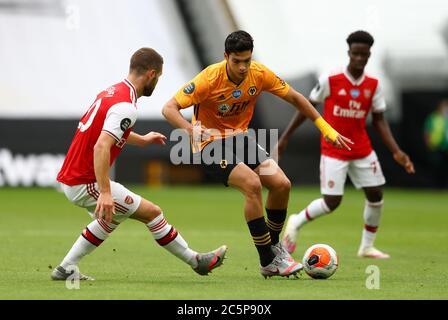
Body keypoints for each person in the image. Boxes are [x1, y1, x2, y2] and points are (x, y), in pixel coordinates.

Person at [162, 30, 352, 278]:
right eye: (237, 61)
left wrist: (326, 129)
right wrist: (189, 130)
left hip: (240, 139)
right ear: (226, 57)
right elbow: (169, 108)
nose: (242, 67)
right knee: (252, 184)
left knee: (282, 185)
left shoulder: (259, 74)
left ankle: (274, 251)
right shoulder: (209, 78)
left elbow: (296, 98)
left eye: (247, 61)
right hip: (209, 144)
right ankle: (268, 260)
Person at [52, 48, 227, 281]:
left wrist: (141, 139)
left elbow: (103, 130)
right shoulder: (127, 106)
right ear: (151, 74)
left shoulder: (111, 91)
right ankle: (197, 261)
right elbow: (101, 146)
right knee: (152, 213)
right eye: (159, 77)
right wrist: (104, 192)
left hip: (74, 178)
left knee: (111, 218)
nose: (157, 82)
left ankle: (66, 268)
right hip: (85, 181)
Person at [278, 30, 415, 259]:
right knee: (332, 202)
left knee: (376, 195)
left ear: (369, 54)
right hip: (334, 149)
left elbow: (380, 121)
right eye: (356, 53)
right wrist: (285, 138)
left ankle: (366, 247)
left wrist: (396, 151)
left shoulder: (373, 85)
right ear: (349, 53)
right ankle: (296, 221)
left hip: (362, 149)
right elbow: (307, 108)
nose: (360, 58)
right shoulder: (330, 80)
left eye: (364, 54)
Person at [423, 99, 448, 188]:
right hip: (435, 147)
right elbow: (427, 131)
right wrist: (429, 143)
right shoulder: (433, 117)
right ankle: (435, 186)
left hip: (445, 147)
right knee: (435, 168)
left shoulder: (446, 119)